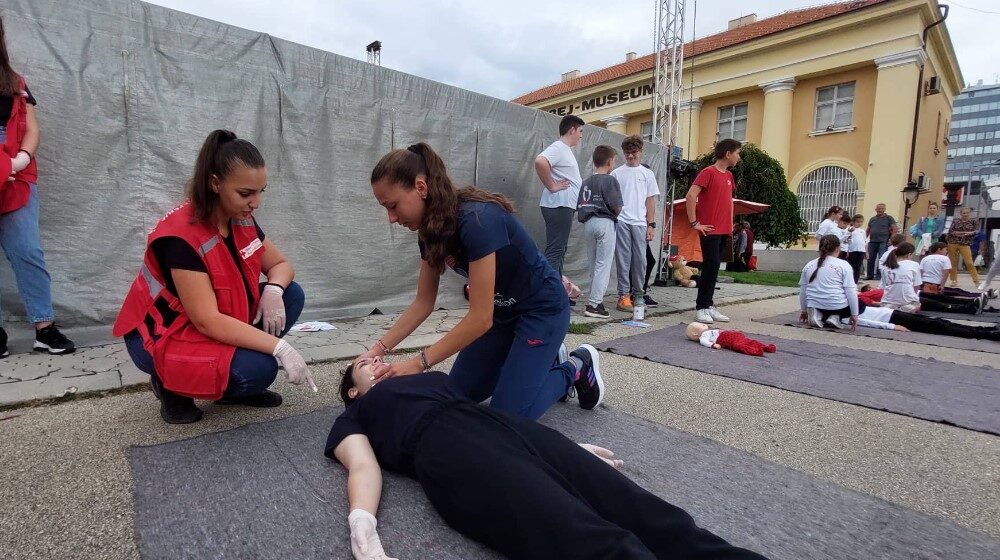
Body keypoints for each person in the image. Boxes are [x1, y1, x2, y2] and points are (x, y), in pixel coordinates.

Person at [328, 357, 770, 560]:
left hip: (496, 429)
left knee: (633, 504)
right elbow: (363, 465)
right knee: (574, 530)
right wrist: (362, 526)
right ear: (353, 391)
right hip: (447, 449)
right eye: (366, 364)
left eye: (380, 356)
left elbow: (490, 420)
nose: (378, 361)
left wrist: (557, 450)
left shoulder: (425, 381)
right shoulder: (360, 414)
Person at [362, 143, 605, 421]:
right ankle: (538, 359)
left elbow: (480, 319)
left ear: (420, 187)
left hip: (542, 311)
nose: (391, 218)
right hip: (502, 315)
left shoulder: (477, 220)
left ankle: (575, 366)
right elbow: (423, 302)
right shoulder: (429, 233)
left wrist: (419, 363)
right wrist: (376, 350)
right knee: (456, 398)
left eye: (392, 206)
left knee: (507, 417)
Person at [112, 130, 315, 424]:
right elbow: (207, 320)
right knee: (260, 370)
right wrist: (279, 347)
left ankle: (229, 386)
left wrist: (272, 290)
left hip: (210, 321)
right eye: (246, 193)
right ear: (215, 183)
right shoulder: (181, 237)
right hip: (165, 336)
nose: (255, 202)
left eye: (261, 192)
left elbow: (281, 265)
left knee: (290, 294)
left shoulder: (240, 218)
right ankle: (170, 386)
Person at [0, 17, 75, 357]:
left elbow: (32, 127)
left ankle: (44, 328)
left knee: (27, 250)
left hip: (16, 169)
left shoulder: (15, 82)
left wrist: (20, 159)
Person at [687, 138, 741, 324]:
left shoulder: (729, 176)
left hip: (724, 229)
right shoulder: (707, 172)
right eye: (737, 152)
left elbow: (729, 202)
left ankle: (709, 305)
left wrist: (730, 224)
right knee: (711, 266)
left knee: (715, 268)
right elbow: (690, 195)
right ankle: (702, 307)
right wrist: (695, 223)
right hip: (709, 229)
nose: (738, 157)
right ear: (728, 154)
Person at [611, 135, 659, 313]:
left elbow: (650, 200)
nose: (631, 156)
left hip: (640, 222)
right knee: (623, 260)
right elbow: (612, 199)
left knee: (641, 260)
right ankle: (623, 296)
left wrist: (651, 224)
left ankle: (638, 294)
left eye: (634, 153)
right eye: (627, 153)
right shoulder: (616, 173)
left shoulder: (647, 174)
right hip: (622, 221)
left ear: (640, 152)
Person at [534, 114, 584, 279]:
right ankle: (549, 294)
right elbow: (540, 161)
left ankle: (558, 291)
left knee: (559, 249)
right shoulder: (559, 147)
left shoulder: (564, 149)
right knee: (556, 250)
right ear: (572, 130)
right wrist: (551, 185)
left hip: (562, 205)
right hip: (559, 205)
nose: (581, 135)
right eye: (580, 131)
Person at [577, 145, 622, 319]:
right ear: (610, 162)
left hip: (588, 222)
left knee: (593, 264)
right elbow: (617, 206)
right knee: (603, 265)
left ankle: (596, 299)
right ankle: (594, 304)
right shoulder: (610, 180)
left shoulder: (586, 181)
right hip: (605, 221)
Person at [837, 305, 1000, 340]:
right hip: (891, 318)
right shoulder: (840, 315)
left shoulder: (839, 305)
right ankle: (985, 333)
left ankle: (984, 329)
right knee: (938, 326)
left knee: (937, 322)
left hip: (891, 313)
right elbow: (864, 322)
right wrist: (892, 327)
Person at [799, 234, 859, 330]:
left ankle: (816, 314)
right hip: (836, 307)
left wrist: (804, 310)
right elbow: (850, 291)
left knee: (822, 305)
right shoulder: (844, 265)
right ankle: (835, 317)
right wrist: (854, 315)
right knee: (861, 302)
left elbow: (803, 290)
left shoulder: (809, 264)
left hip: (813, 304)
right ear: (837, 248)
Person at [685, 322, 776, 356]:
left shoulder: (709, 331)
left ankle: (764, 347)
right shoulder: (703, 336)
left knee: (744, 342)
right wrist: (713, 345)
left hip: (728, 335)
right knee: (742, 343)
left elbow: (719, 331)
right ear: (695, 333)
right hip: (725, 338)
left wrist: (730, 331)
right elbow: (704, 342)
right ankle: (758, 349)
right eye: (700, 325)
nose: (703, 324)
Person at [945, 207, 981, 288]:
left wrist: (964, 233)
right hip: (952, 243)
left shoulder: (974, 222)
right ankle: (953, 280)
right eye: (963, 213)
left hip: (965, 244)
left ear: (969, 213)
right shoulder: (955, 221)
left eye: (967, 213)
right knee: (953, 263)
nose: (965, 214)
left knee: (969, 262)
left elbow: (976, 232)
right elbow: (951, 231)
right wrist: (967, 233)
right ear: (961, 214)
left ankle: (976, 280)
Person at [880, 242, 921, 311]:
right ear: (909, 255)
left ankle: (892, 307)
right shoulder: (914, 264)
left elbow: (884, 286)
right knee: (918, 305)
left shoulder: (885, 267)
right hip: (907, 301)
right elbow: (916, 286)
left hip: (887, 301)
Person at [865, 203, 897, 281]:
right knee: (870, 258)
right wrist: (864, 239)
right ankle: (870, 275)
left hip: (883, 242)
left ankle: (879, 276)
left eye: (882, 208)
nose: (880, 210)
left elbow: (894, 229)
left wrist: (891, 239)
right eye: (878, 208)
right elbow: (868, 229)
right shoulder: (872, 219)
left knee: (881, 258)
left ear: (884, 209)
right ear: (875, 209)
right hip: (872, 241)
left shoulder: (889, 218)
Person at [847, 214, 867, 283]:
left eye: (861, 222)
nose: (859, 223)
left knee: (858, 266)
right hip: (852, 250)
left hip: (861, 250)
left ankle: (855, 281)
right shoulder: (850, 229)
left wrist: (866, 252)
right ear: (853, 222)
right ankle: (850, 280)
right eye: (858, 222)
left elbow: (864, 242)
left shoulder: (862, 231)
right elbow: (847, 240)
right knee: (851, 265)